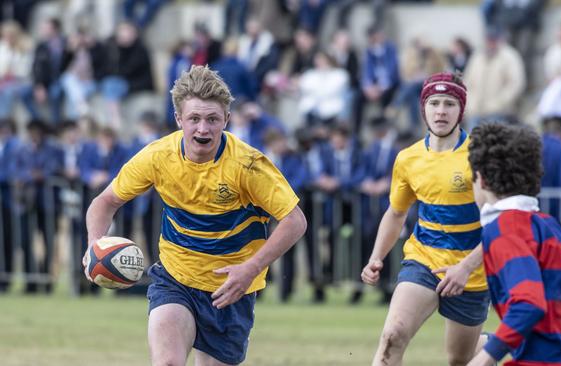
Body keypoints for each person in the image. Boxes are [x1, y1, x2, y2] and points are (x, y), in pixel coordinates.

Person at [82, 65, 307, 366]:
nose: (203, 129)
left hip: (230, 290)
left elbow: (295, 221)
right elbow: (105, 201)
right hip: (175, 278)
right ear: (178, 120)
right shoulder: (158, 156)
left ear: (226, 119)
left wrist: (251, 268)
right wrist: (94, 243)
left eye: (213, 119)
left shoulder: (249, 165)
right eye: (194, 119)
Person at [361, 72, 489, 366]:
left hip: (471, 270)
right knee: (392, 336)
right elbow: (396, 212)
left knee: (460, 358)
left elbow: (499, 228)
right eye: (434, 103)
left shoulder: (479, 158)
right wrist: (376, 257)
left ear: (461, 110)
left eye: (449, 104)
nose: (441, 111)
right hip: (423, 259)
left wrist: (465, 267)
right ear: (423, 108)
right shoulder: (408, 158)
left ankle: (497, 345)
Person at [466, 123, 561, 366]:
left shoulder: (504, 230)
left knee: (478, 347)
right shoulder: (549, 225)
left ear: (481, 180)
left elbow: (528, 304)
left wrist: (483, 359)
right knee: (477, 341)